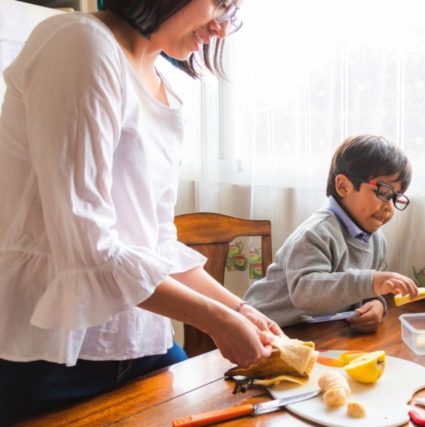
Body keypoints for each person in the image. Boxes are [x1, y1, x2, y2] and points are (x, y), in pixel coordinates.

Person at [0, 0, 283, 423]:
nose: (221, 29)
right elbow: (88, 248)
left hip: (138, 342)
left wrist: (239, 311)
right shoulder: (79, 44)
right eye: (220, 4)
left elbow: (157, 245)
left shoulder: (162, 85)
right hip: (51, 353)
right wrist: (218, 321)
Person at [243, 134, 419, 332]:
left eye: (395, 198)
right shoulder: (317, 233)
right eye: (383, 192)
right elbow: (306, 294)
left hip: (315, 331)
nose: (389, 208)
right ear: (343, 186)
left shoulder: (377, 241)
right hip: (261, 329)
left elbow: (356, 291)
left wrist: (376, 304)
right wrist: (371, 281)